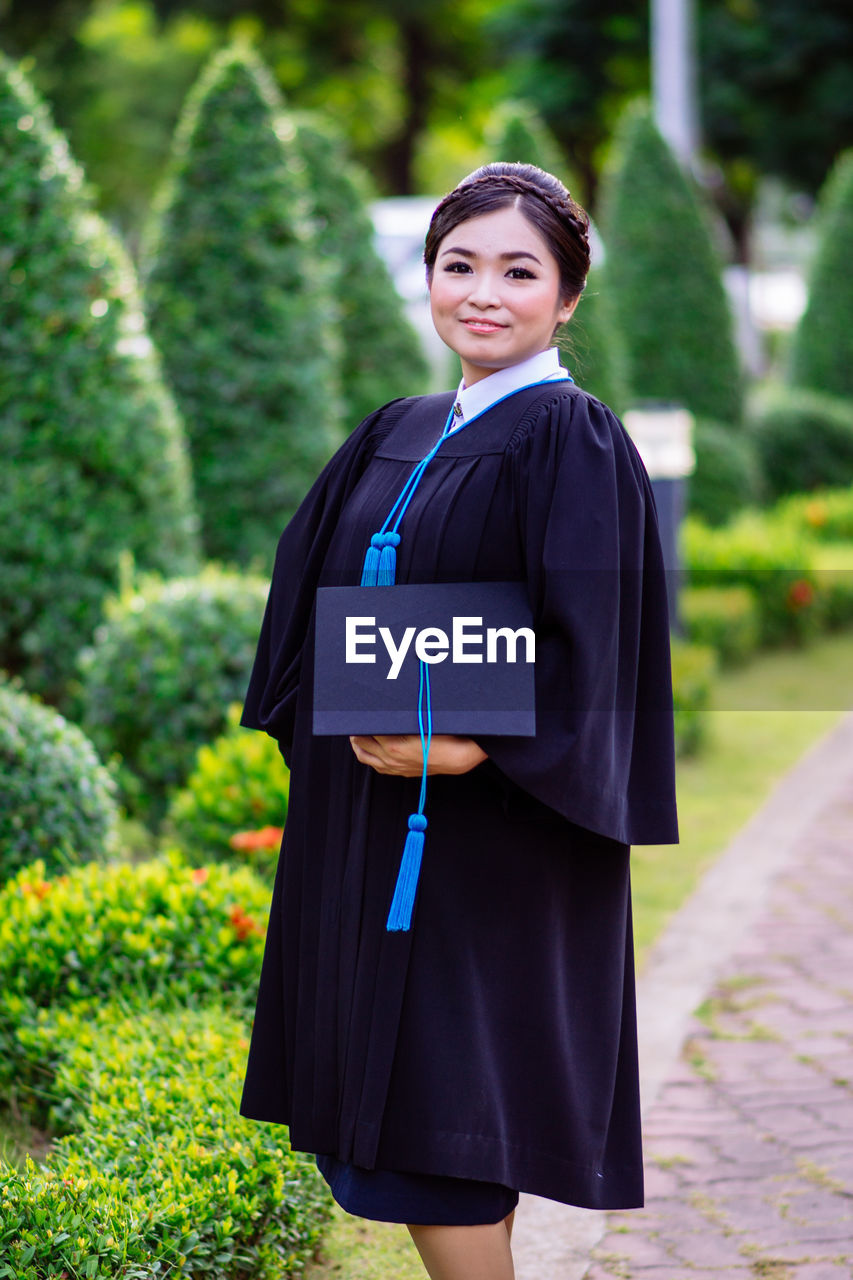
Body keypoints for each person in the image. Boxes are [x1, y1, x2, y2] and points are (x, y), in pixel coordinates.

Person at [238, 161, 679, 1280]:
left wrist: (478, 740)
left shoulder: (570, 437)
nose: (483, 292)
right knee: (446, 1135)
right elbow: (305, 600)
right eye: (458, 265)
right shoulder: (397, 425)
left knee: (450, 1129)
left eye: (518, 271)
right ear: (428, 279)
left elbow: (600, 636)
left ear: (567, 296)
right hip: (376, 820)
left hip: (488, 848)